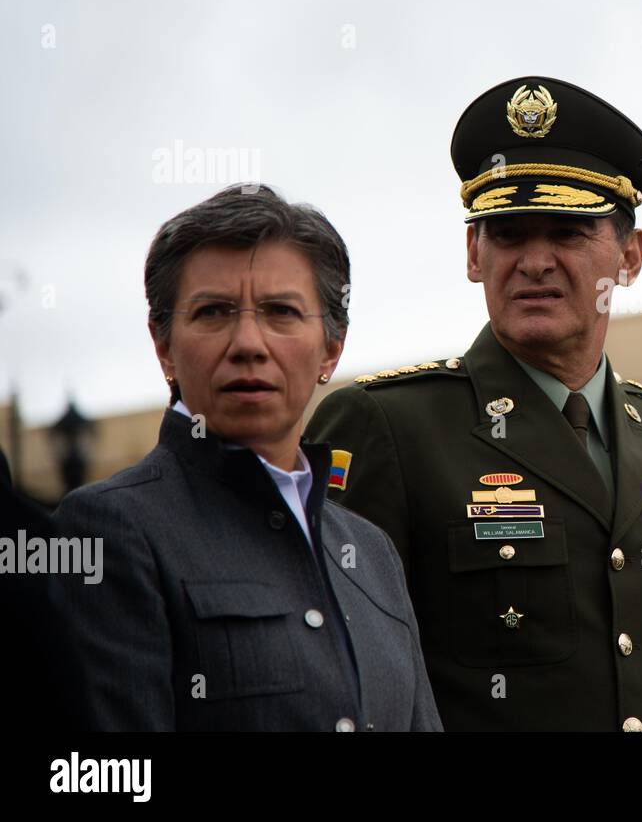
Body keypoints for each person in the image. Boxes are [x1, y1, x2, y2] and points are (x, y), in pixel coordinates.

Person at [307, 77, 642, 731]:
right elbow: (344, 687)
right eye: (509, 233)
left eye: (568, 233)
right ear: (473, 253)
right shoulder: (388, 427)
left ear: (630, 256)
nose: (535, 261)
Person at [54, 185, 441, 731]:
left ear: (332, 348)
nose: (248, 343)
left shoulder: (371, 553)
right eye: (212, 312)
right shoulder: (110, 531)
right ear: (163, 346)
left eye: (282, 311)